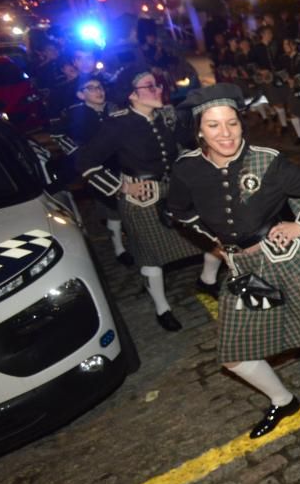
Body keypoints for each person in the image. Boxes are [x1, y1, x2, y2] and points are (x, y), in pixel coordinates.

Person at [168, 84, 300, 438]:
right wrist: (216, 243)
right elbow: (179, 212)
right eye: (214, 126)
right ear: (199, 131)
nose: (226, 134)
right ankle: (284, 400)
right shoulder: (187, 169)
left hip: (285, 257)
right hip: (243, 270)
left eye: (232, 124)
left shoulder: (266, 160)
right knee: (234, 354)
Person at [76, 66, 219, 331]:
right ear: (132, 95)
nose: (158, 90)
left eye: (159, 85)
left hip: (176, 191)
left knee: (213, 235)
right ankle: (162, 307)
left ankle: (207, 280)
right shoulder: (117, 124)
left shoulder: (167, 116)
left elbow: (188, 144)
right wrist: (122, 187)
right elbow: (86, 162)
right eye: (150, 86)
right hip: (141, 201)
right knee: (152, 257)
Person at [54, 75, 131, 267]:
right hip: (97, 170)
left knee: (129, 206)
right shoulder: (74, 114)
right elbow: (57, 134)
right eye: (91, 88)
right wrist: (78, 152)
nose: (99, 91)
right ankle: (119, 248)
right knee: (112, 210)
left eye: (100, 86)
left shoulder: (115, 109)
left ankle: (137, 240)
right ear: (81, 94)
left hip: (124, 164)